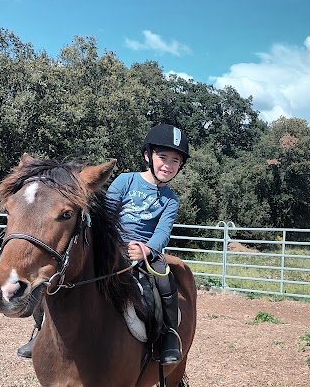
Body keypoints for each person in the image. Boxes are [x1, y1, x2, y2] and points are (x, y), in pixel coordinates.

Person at [17, 123, 189, 364]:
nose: (168, 165)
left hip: (143, 253)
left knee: (163, 276)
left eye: (175, 161)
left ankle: (168, 335)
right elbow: (107, 218)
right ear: (148, 155)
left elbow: (163, 232)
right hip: (112, 246)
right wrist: (113, 244)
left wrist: (148, 250)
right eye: (163, 157)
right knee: (61, 272)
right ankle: (42, 329)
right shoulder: (126, 181)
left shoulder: (170, 200)